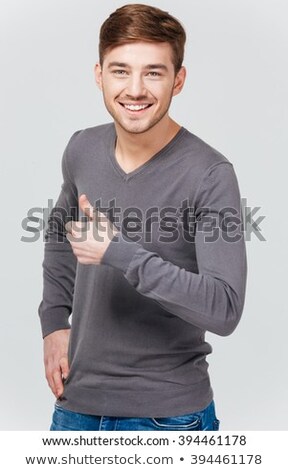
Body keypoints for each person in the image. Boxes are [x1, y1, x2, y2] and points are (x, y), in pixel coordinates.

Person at [39, 3, 247, 431]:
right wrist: (54, 322)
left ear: (179, 80)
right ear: (99, 75)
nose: (135, 89)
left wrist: (120, 252)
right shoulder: (81, 148)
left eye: (153, 72)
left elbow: (224, 308)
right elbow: (61, 234)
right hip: (75, 406)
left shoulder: (210, 174)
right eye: (120, 71)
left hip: (168, 416)